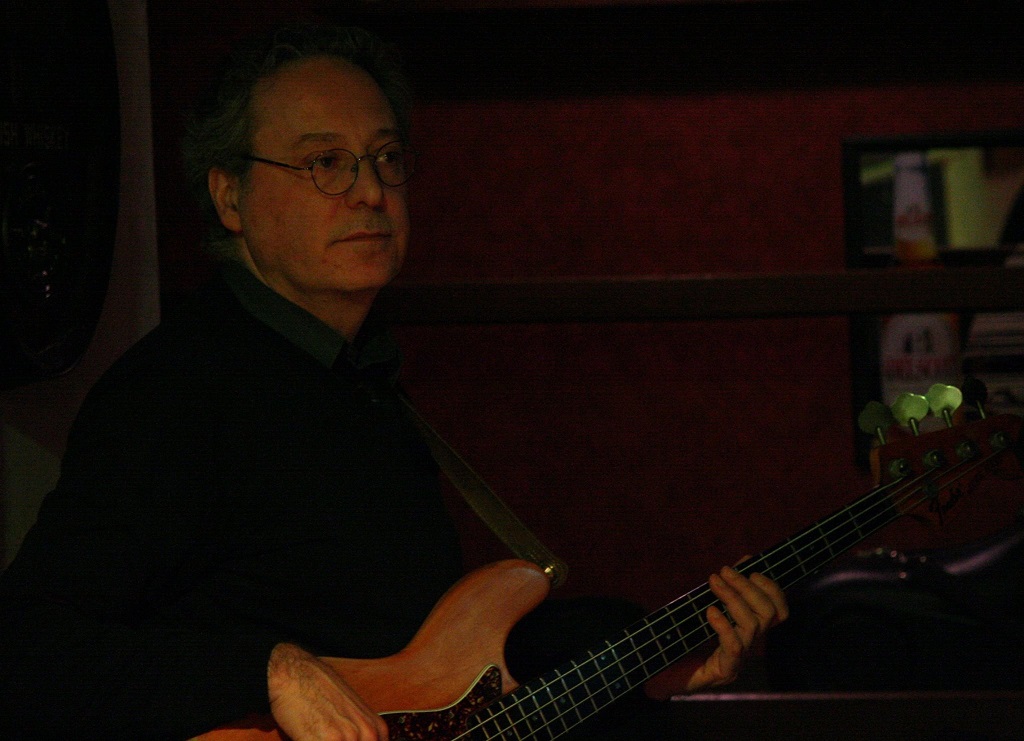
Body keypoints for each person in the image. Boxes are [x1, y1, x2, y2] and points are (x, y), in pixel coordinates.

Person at [0, 22, 787, 740]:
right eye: (325, 163)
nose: (372, 191)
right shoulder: (173, 392)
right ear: (229, 196)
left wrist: (655, 663)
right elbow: (30, 646)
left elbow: (432, 665)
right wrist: (268, 669)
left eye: (385, 158)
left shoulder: (362, 382)